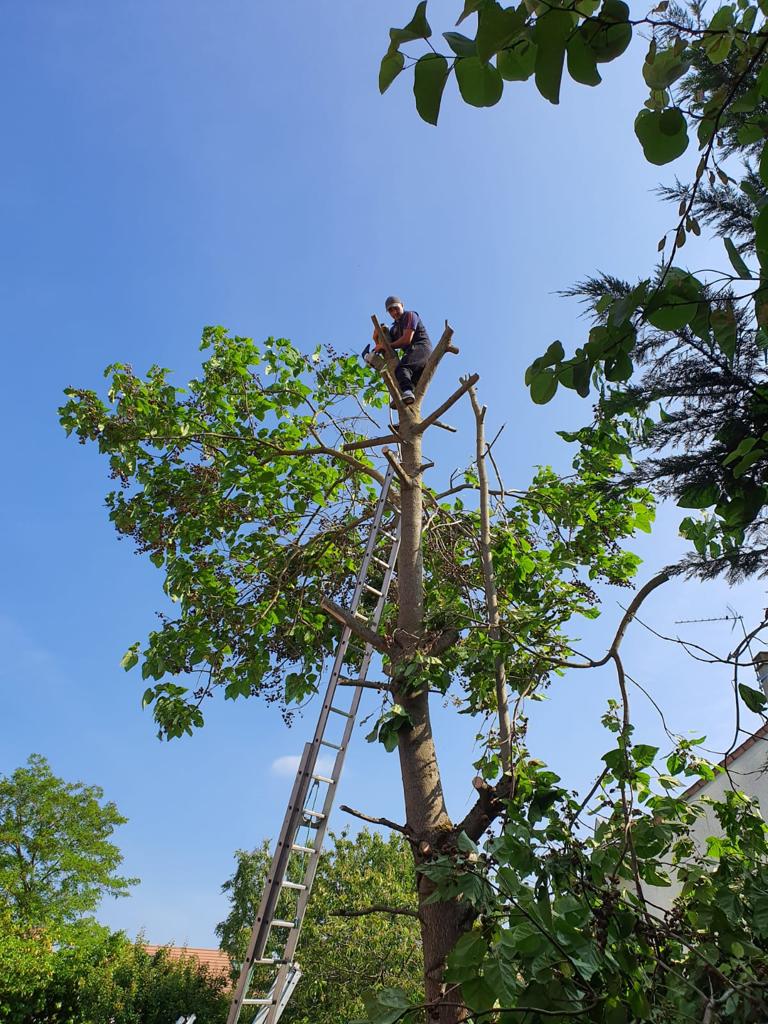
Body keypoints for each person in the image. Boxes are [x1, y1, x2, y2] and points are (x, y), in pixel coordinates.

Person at [368, 296, 433, 406]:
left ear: (402, 305)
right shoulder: (394, 329)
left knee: (402, 368)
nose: (394, 312)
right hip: (412, 354)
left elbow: (407, 340)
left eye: (396, 308)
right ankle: (407, 412)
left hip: (421, 348)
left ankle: (406, 392)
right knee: (411, 385)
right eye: (390, 310)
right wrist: (376, 339)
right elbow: (386, 349)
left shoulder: (410, 315)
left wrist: (385, 345)